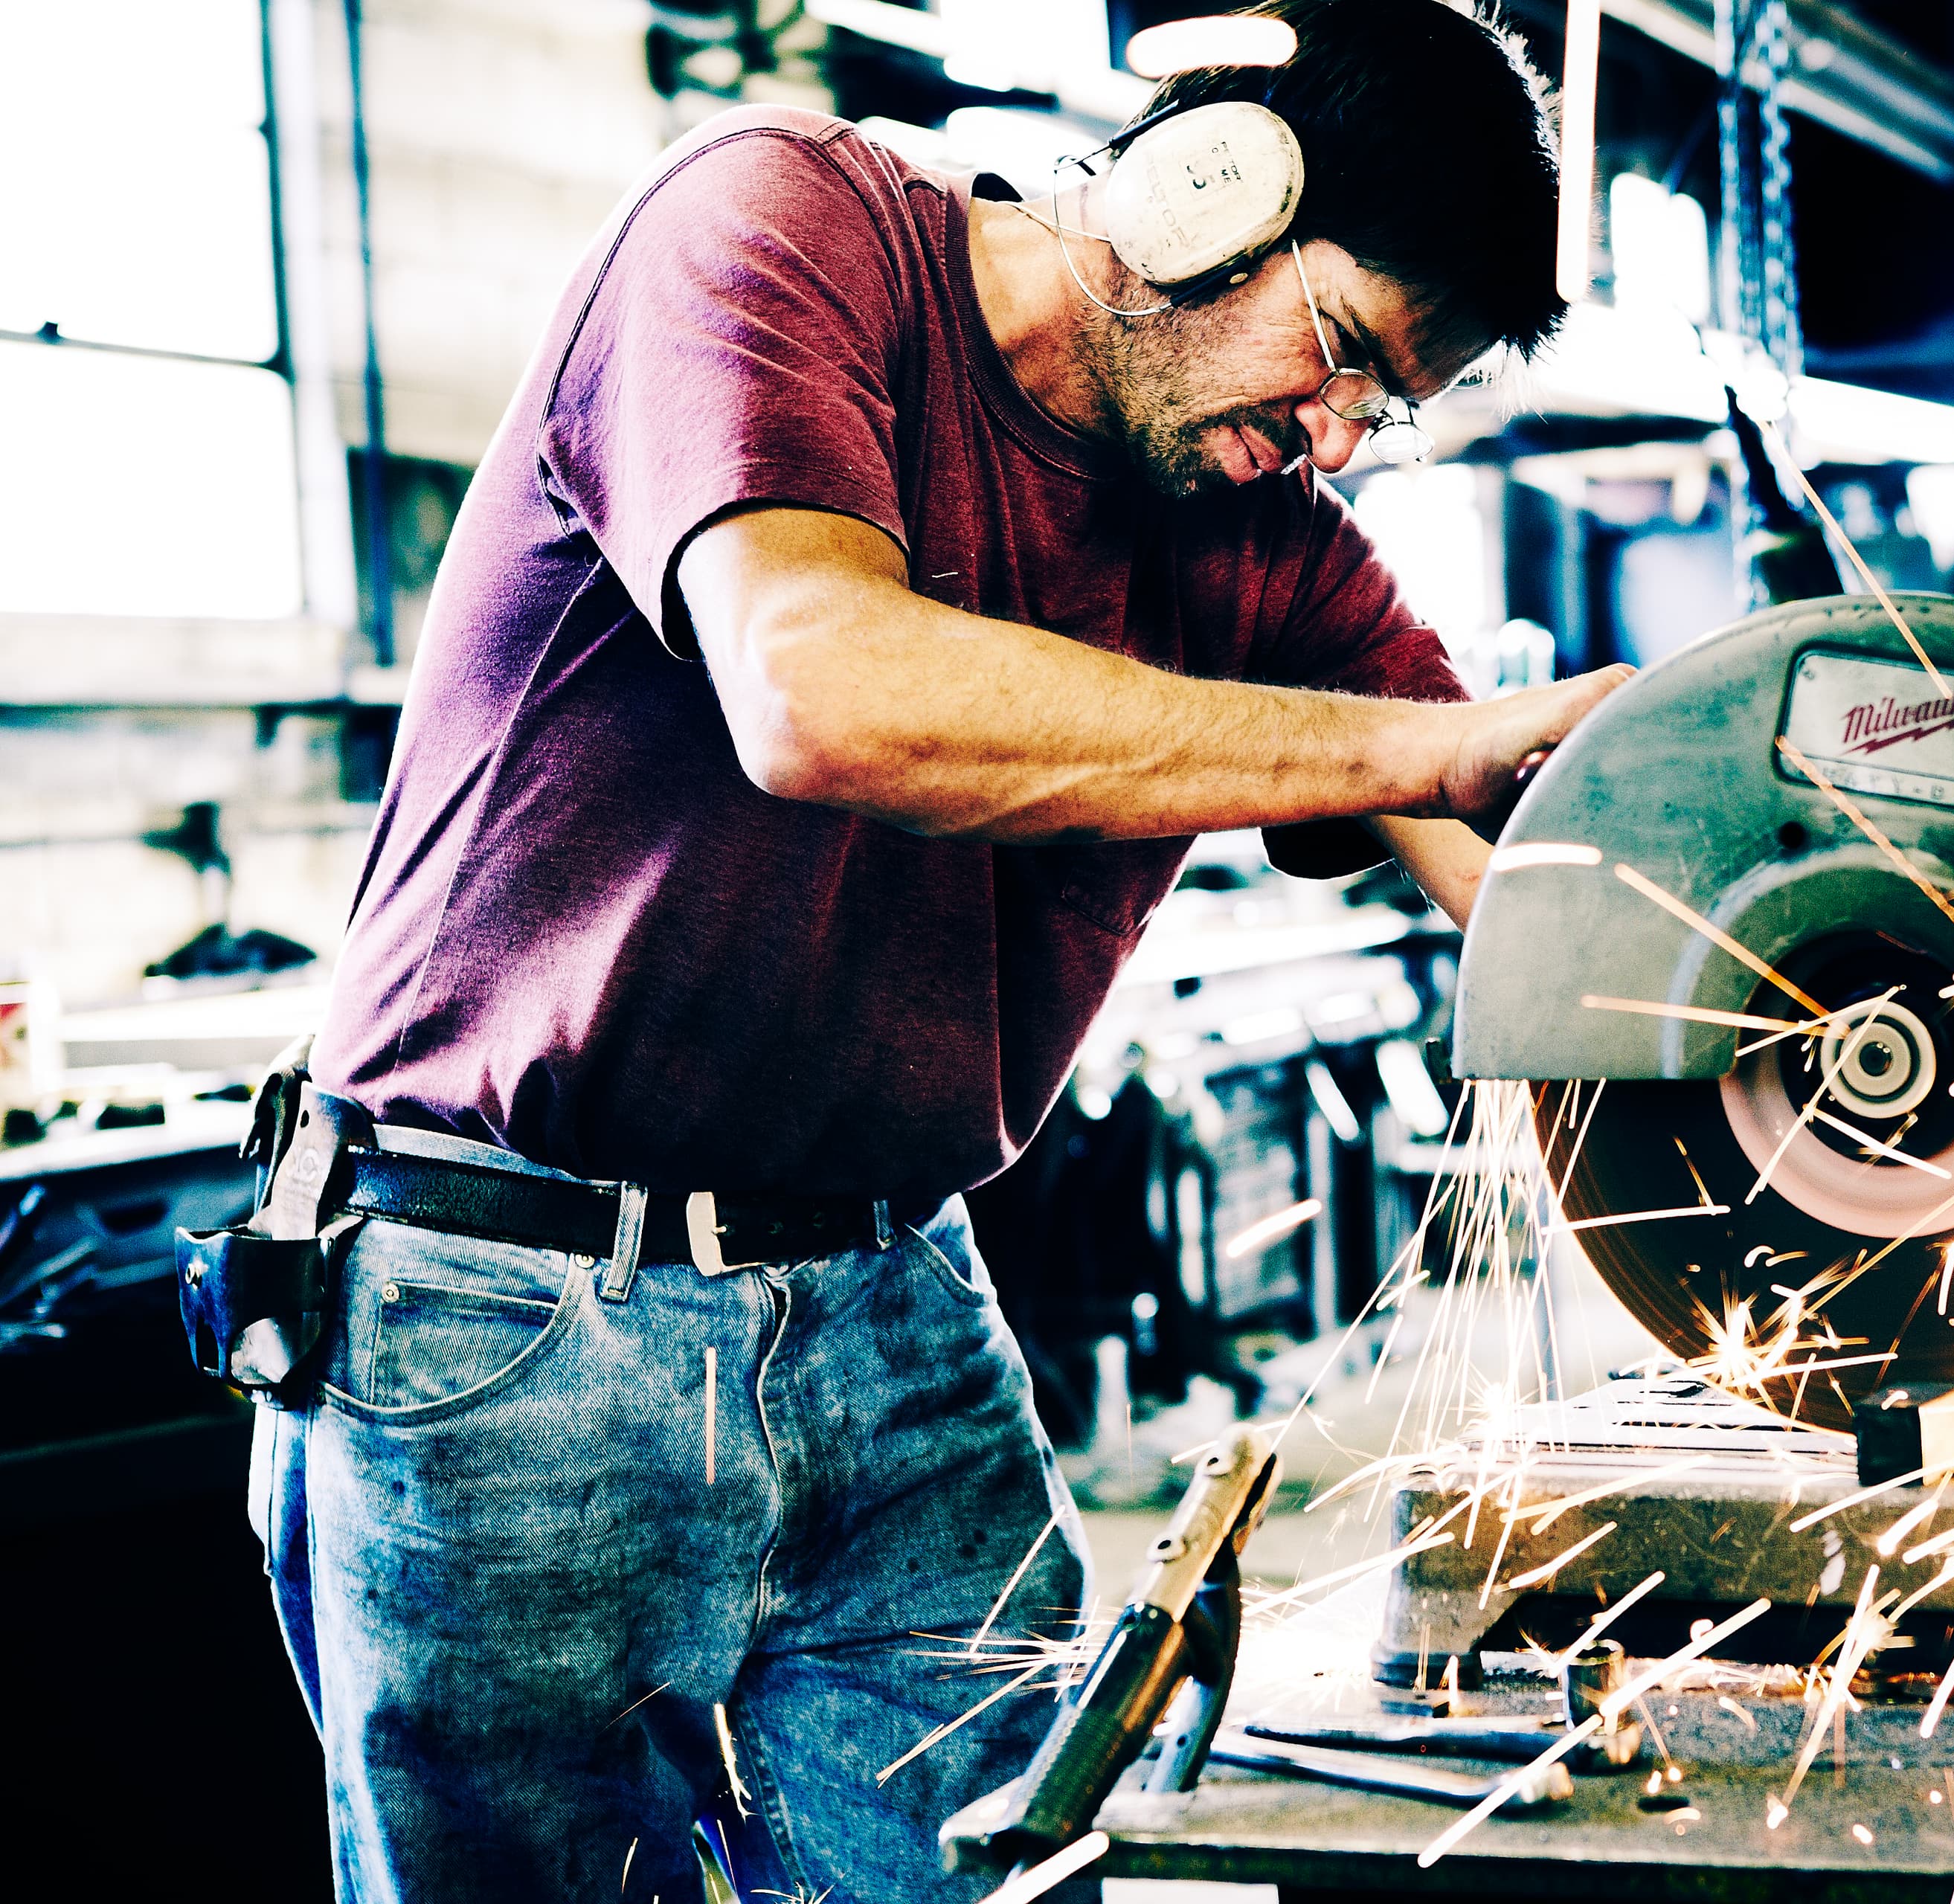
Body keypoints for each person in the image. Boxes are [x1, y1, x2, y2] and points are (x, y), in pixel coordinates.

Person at [259, 2, 1629, 1897]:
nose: (1329, 440)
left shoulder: (1255, 529)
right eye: (1338, 356)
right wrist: (1413, 740)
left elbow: (1527, 861)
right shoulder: (775, 233)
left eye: (1380, 415)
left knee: (1007, 1872)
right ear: (1201, 188)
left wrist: (1781, 981)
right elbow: (827, 691)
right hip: (506, 1310)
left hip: (892, 1301)